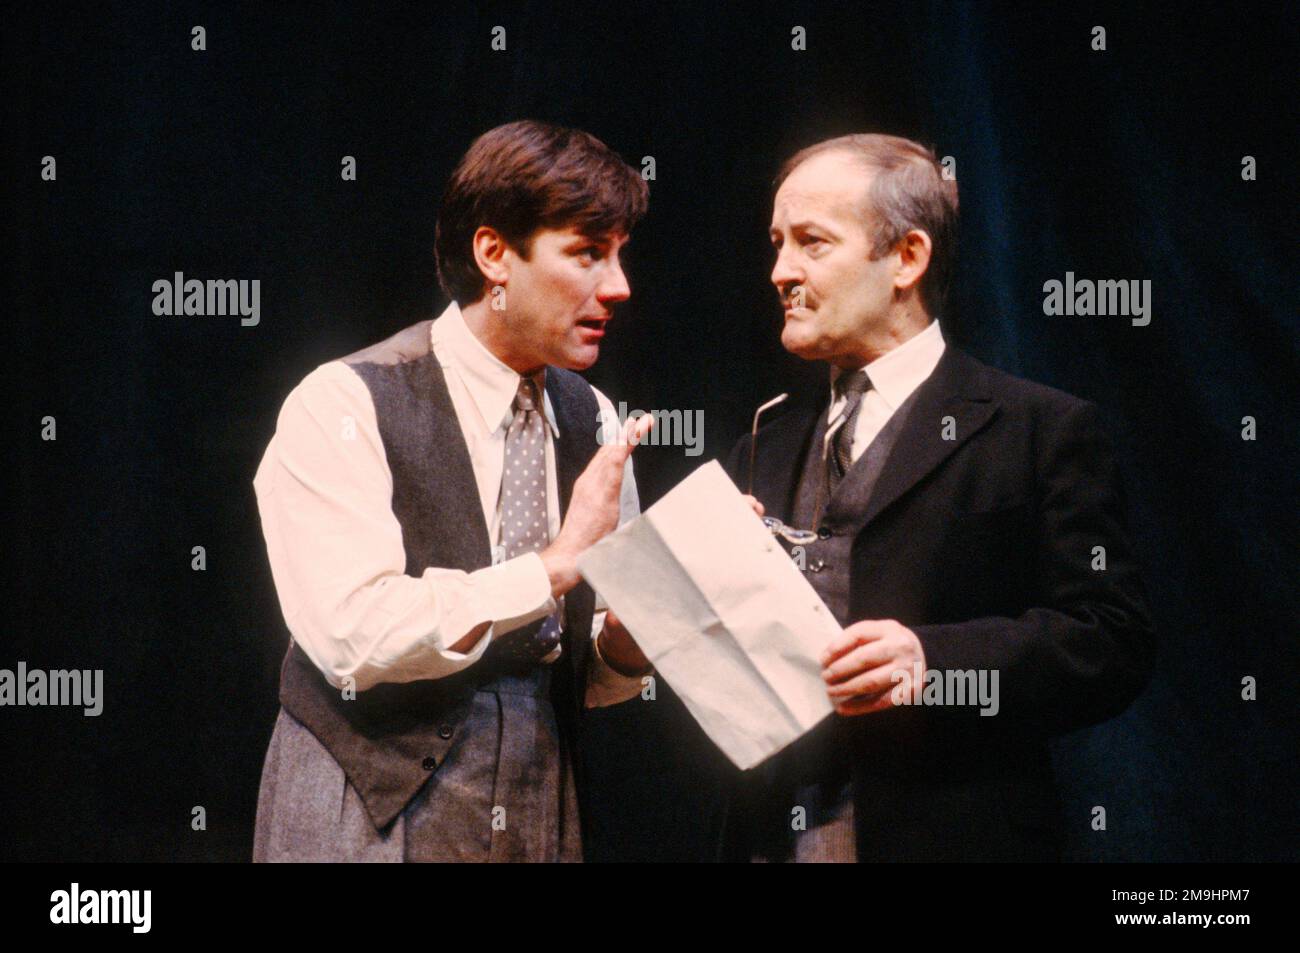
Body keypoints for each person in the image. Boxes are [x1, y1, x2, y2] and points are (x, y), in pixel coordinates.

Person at [722, 133, 1157, 862]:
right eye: (776, 243)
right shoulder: (763, 442)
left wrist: (935, 662)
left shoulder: (1037, 428)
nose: (779, 271)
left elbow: (1112, 640)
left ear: (907, 258)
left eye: (811, 242)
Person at [252, 120, 654, 862]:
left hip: (539, 783)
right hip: (370, 793)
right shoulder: (343, 402)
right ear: (494, 254)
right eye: (587, 253)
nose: (619, 286)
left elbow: (584, 667)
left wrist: (635, 635)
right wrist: (554, 568)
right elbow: (351, 634)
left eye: (621, 255)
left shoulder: (591, 415)